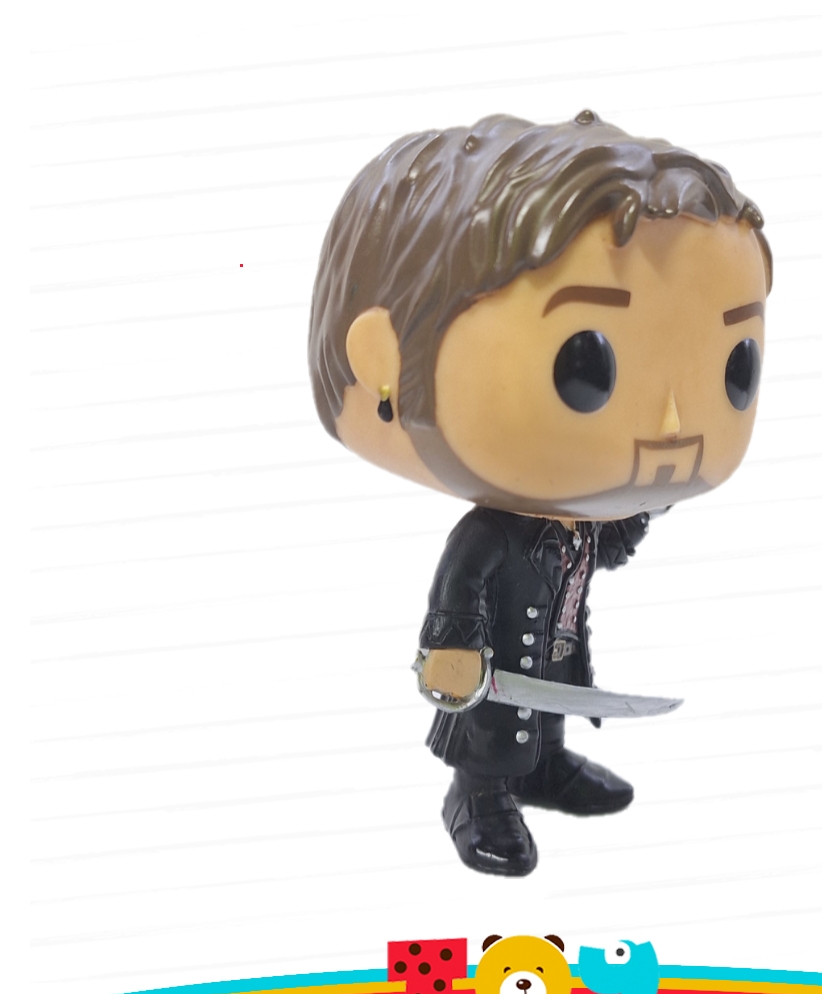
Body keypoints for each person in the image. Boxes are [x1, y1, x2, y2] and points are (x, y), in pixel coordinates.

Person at [308, 110, 772, 875]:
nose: (671, 425)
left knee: (546, 710)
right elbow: (459, 587)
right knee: (496, 734)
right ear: (381, 363)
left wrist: (642, 513)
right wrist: (451, 649)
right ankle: (478, 797)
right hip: (492, 675)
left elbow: (605, 553)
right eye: (585, 368)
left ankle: (545, 766)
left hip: (552, 655)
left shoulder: (577, 523)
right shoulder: (492, 537)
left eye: (736, 366)